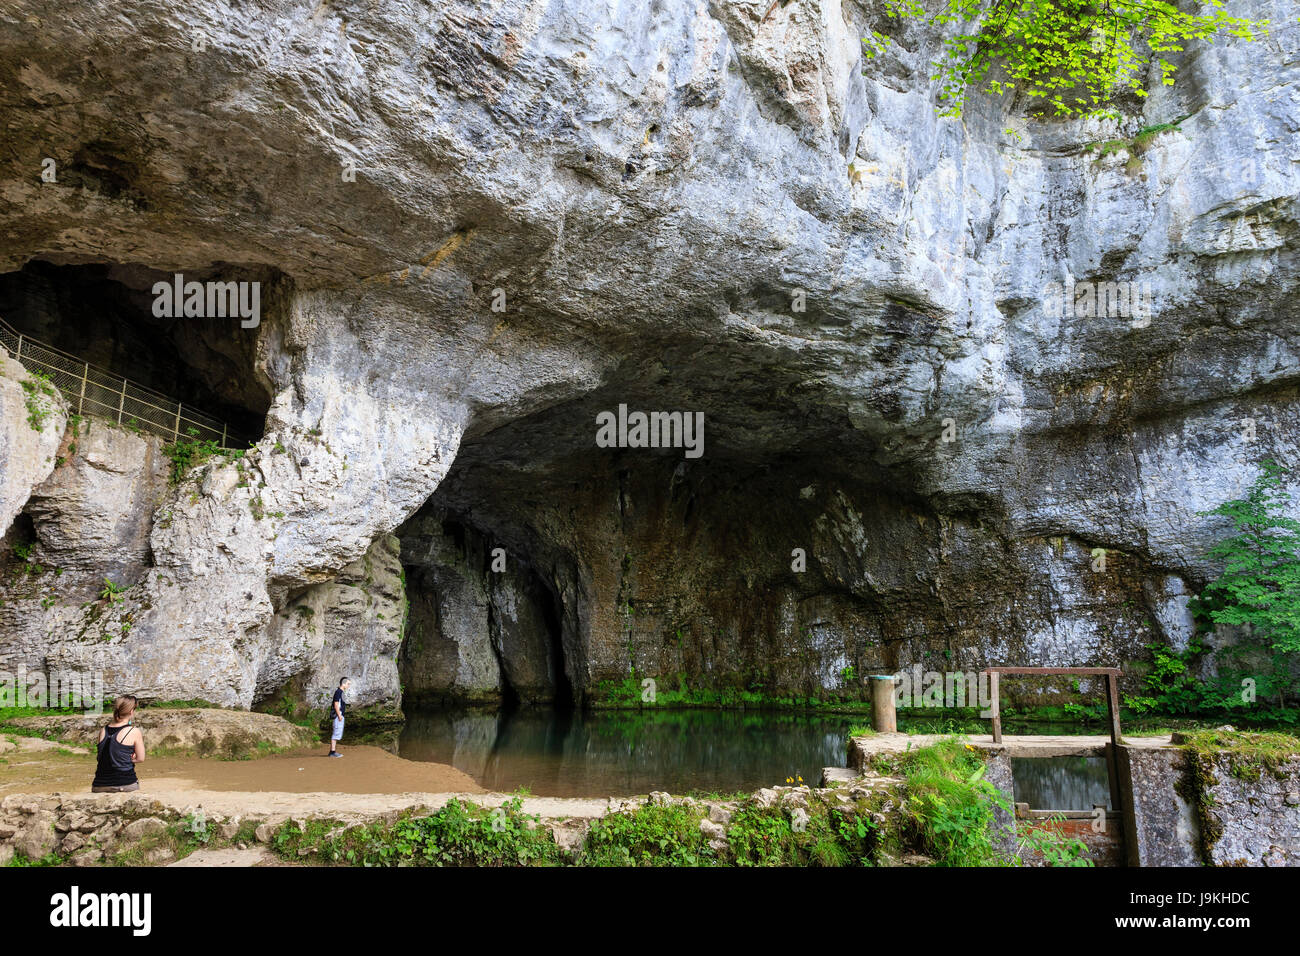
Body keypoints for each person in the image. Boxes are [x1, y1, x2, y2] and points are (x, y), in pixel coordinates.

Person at [92, 695, 145, 792]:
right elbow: (141, 758)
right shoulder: (133, 731)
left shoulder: (103, 730)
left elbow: (101, 757)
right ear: (131, 711)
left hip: (99, 785)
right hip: (124, 783)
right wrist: (128, 758)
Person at [328, 678, 350, 757]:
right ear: (343, 684)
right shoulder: (338, 692)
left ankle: (333, 751)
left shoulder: (340, 692)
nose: (348, 685)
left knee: (337, 733)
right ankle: (332, 752)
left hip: (340, 715)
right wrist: (339, 716)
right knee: (336, 733)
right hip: (338, 715)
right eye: (348, 684)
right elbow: (336, 704)